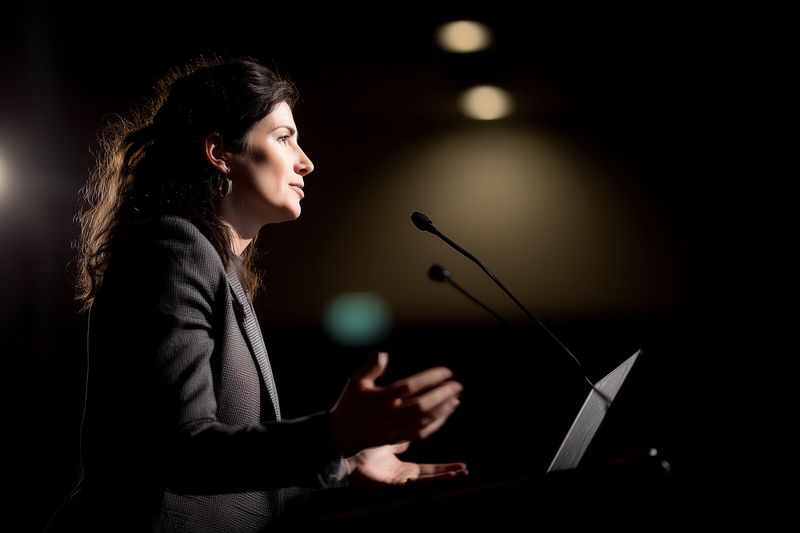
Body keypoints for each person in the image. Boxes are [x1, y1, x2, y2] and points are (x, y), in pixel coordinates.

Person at [48, 55, 467, 533]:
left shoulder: (213, 263)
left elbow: (231, 479)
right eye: (284, 137)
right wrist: (334, 433)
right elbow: (183, 454)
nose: (305, 161)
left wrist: (346, 467)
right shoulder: (174, 249)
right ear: (220, 151)